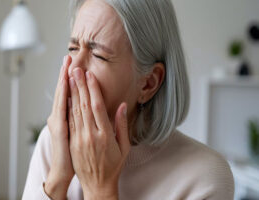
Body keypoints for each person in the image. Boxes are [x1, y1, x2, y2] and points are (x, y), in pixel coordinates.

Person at [22, 0, 234, 199]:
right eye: (73, 48)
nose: (73, 68)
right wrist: (57, 181)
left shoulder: (206, 178)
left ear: (148, 83)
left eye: (99, 55)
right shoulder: (53, 143)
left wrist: (100, 191)